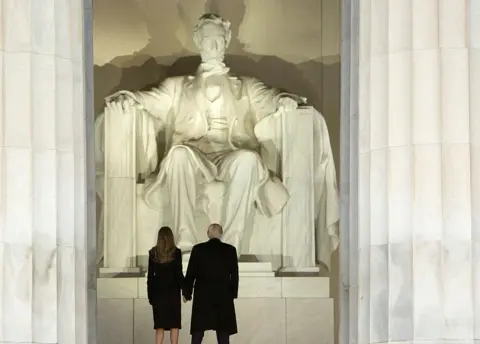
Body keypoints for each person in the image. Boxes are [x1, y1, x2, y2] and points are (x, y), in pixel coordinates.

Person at [183, 223, 239, 344]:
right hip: (223, 296)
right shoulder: (230, 250)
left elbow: (191, 273)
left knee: (198, 331)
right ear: (221, 234)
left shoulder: (198, 249)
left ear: (208, 234)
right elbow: (234, 275)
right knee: (223, 332)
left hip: (203, 296)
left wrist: (187, 293)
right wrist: (233, 293)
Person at [147, 226, 184, 344]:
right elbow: (179, 275)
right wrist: (186, 290)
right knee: (174, 326)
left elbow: (150, 278)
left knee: (159, 327)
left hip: (158, 295)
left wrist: (150, 296)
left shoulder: (153, 253)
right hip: (173, 295)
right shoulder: (176, 253)